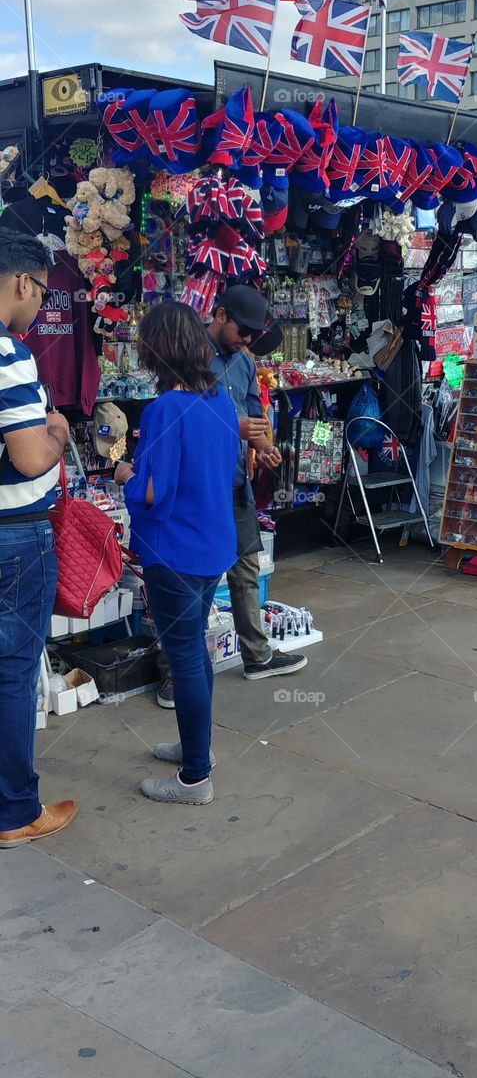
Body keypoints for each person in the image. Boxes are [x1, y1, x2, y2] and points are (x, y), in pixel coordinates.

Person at [155, 286, 307, 707]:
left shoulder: (242, 361)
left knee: (245, 569)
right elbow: (181, 421)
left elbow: (248, 414)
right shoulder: (189, 359)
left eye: (255, 334)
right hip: (200, 488)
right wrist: (234, 427)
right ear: (219, 315)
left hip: (236, 481)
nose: (248, 339)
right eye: (245, 330)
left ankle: (257, 655)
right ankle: (174, 672)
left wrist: (260, 444)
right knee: (195, 583)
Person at [115, 301, 238, 805]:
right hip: (213, 546)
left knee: (184, 656)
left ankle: (194, 778)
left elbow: (152, 493)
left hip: (175, 552)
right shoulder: (220, 401)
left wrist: (125, 476)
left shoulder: (165, 409)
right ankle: (197, 752)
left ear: (156, 351)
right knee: (195, 653)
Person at [0, 231, 77, 848]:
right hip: (13, 539)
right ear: (23, 282)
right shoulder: (10, 353)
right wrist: (55, 430)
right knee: (14, 670)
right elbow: (29, 459)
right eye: (42, 292)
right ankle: (15, 811)